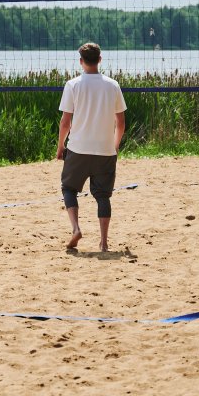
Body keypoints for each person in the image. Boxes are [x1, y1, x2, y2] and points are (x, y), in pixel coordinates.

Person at [56, 42, 127, 252]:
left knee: (68, 188)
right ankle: (104, 242)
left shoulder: (73, 85)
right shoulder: (113, 85)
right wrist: (114, 146)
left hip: (78, 148)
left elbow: (65, 122)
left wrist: (60, 146)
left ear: (81, 61)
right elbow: (121, 123)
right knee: (103, 196)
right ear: (100, 60)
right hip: (105, 150)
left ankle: (76, 228)